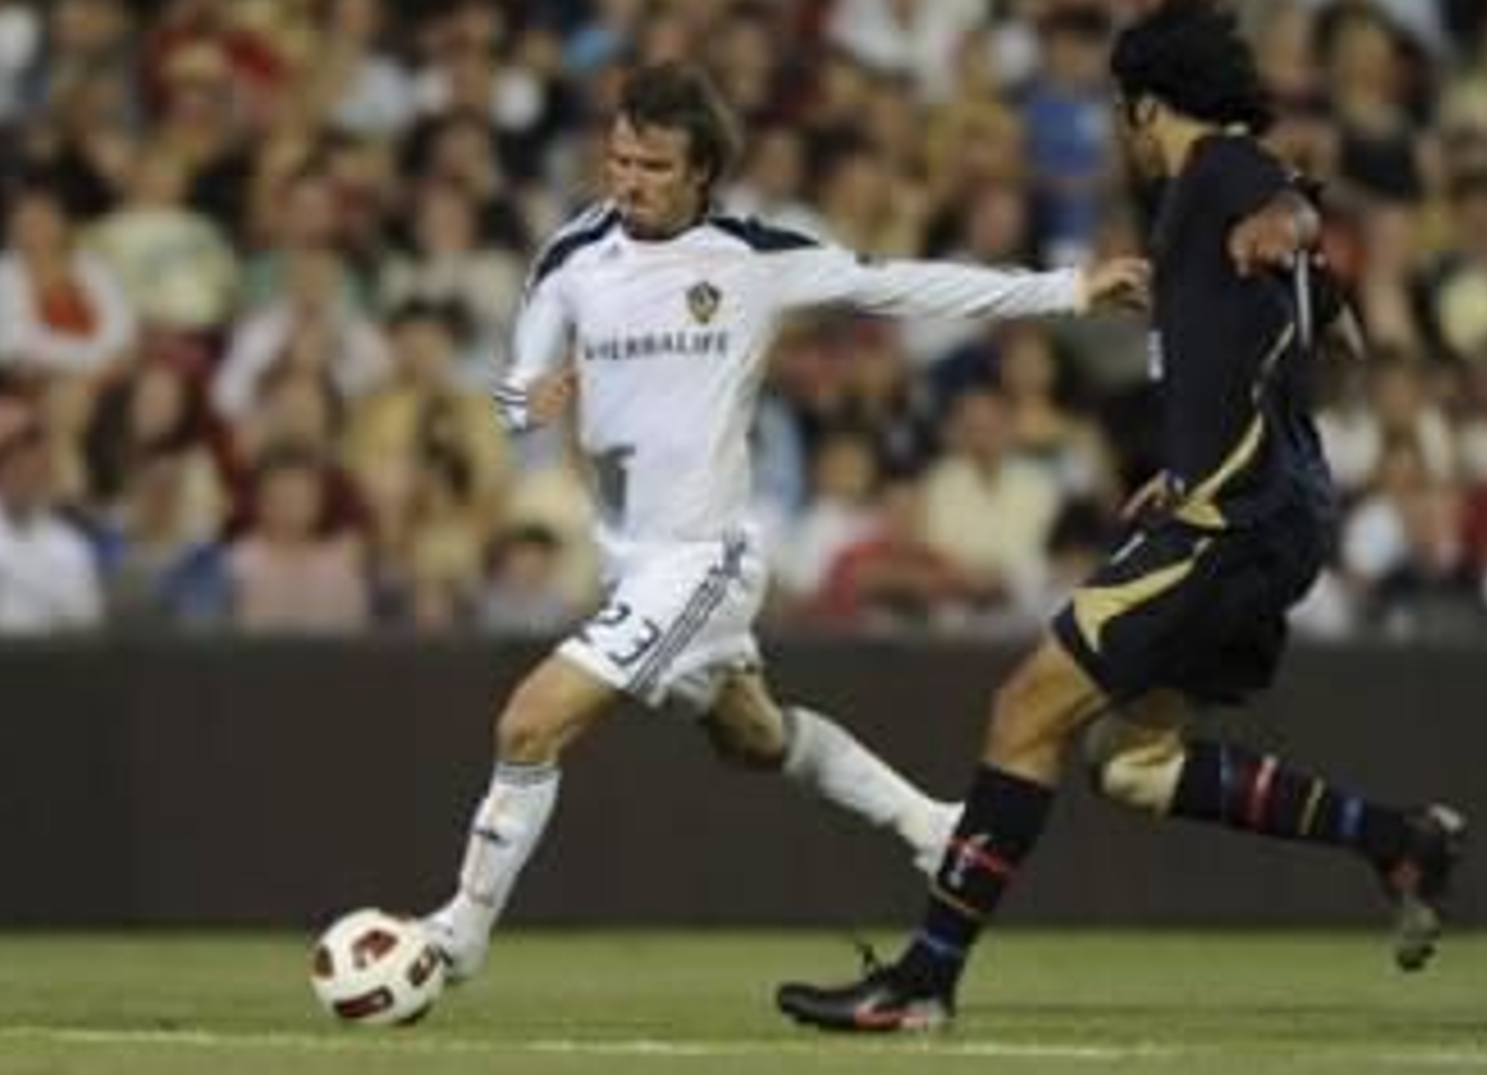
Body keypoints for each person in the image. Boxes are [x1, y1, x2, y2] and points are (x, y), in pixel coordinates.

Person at [775, 0, 1467, 1034]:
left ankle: (922, 981)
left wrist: (1283, 237)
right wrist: (1208, 436)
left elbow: (1287, 211)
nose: (1121, 135)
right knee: (1132, 765)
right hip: (1268, 512)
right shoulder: (1218, 201)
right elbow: (1339, 343)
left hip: (1230, 521)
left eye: (1120, 113)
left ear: (1144, 106)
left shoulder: (1217, 173)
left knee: (1022, 712)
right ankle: (1396, 838)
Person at [418, 60, 1153, 987]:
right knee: (753, 738)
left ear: (701, 176)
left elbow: (900, 285)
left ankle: (455, 939)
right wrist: (532, 400)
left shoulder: (754, 260)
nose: (627, 181)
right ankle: (931, 825)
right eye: (618, 159)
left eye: (650, 166)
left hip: (706, 561)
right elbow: (512, 393)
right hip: (628, 561)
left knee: (528, 725)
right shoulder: (570, 256)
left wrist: (1067, 289)